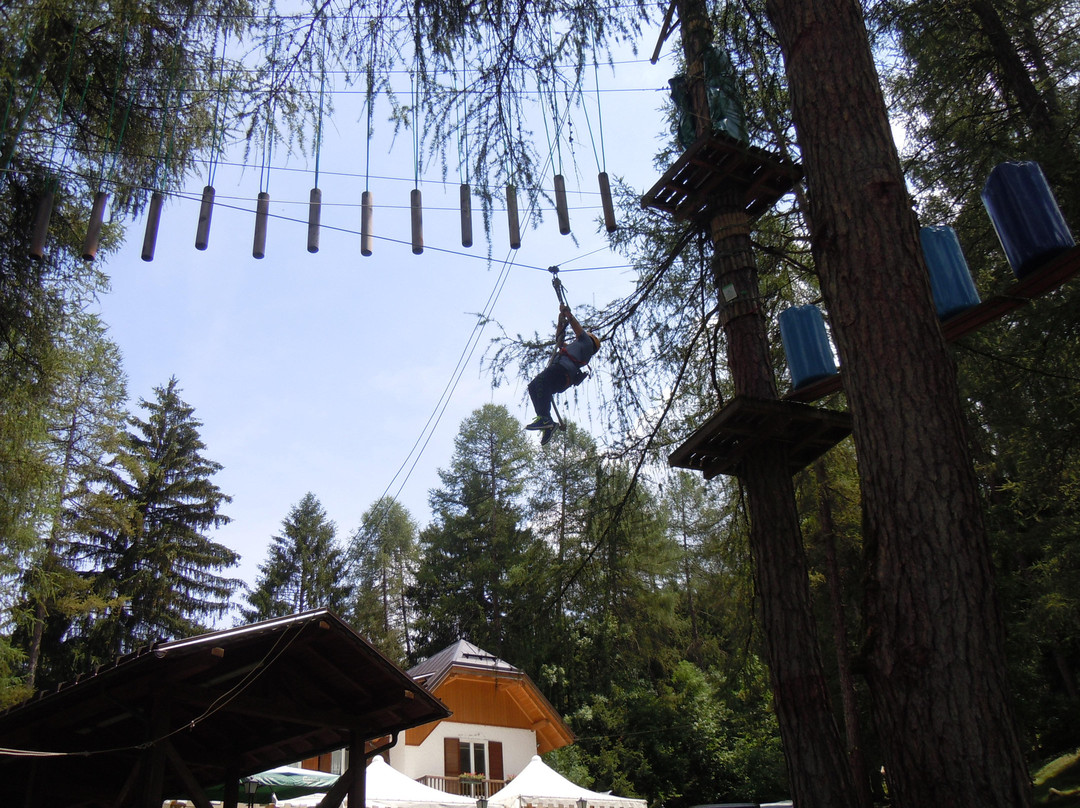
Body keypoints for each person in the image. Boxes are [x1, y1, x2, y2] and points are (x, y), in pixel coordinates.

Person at [526, 304, 600, 439]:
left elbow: (577, 328)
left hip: (562, 372)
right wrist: (560, 320)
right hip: (560, 374)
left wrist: (568, 314)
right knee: (532, 386)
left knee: (542, 380)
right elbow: (559, 341)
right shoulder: (576, 347)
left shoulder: (587, 344)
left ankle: (546, 419)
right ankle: (546, 422)